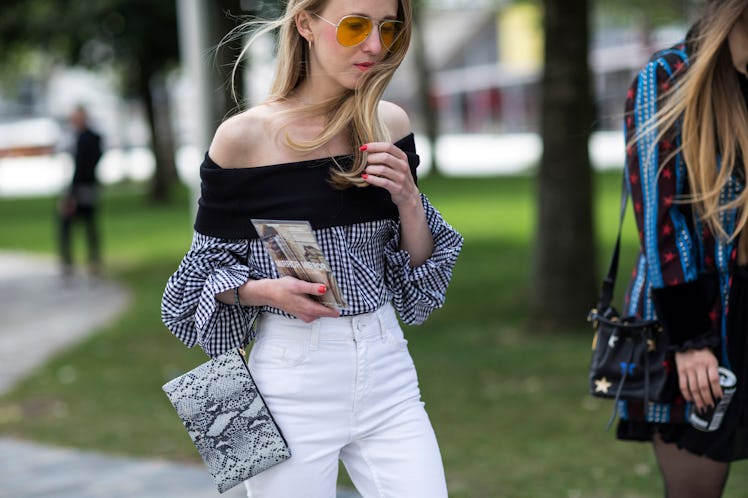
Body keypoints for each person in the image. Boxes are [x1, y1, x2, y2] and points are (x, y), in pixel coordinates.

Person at [161, 0, 463, 496]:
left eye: (387, 27)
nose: (374, 44)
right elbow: (192, 283)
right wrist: (264, 291)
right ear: (305, 24)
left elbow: (417, 283)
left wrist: (410, 200)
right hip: (290, 376)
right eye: (354, 26)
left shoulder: (389, 124)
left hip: (388, 367)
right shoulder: (243, 139)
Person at [618, 1, 748, 496]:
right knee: (695, 491)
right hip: (696, 319)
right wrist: (691, 341)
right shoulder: (667, 78)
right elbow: (659, 220)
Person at [58, 105, 103, 279]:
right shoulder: (90, 138)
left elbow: (81, 168)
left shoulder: (85, 139)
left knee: (68, 224)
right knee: (90, 225)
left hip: (80, 190)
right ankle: (92, 261)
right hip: (88, 187)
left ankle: (70, 262)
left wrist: (70, 195)